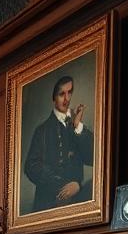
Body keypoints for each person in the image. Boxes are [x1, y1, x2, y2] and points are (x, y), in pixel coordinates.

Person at [23, 75, 94, 213]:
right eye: (62, 94)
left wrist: (78, 126)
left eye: (70, 92)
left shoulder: (75, 125)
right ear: (54, 98)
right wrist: (63, 185)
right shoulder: (42, 130)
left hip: (75, 204)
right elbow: (31, 166)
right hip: (47, 204)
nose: (67, 99)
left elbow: (92, 158)